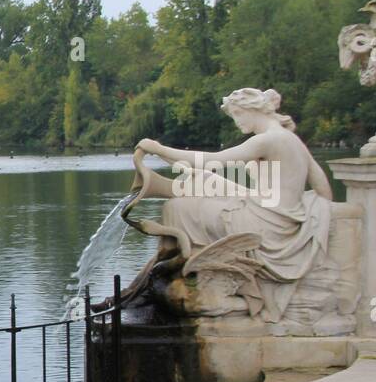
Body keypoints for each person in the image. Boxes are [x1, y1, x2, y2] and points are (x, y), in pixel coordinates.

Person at [131, 88, 332, 322]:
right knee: (204, 181)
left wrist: (158, 148)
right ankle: (171, 277)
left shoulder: (268, 140)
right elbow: (324, 190)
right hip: (278, 217)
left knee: (175, 209)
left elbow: (213, 160)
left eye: (237, 113)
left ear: (252, 109)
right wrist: (305, 212)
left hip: (265, 224)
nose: (236, 121)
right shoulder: (291, 140)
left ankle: (181, 276)